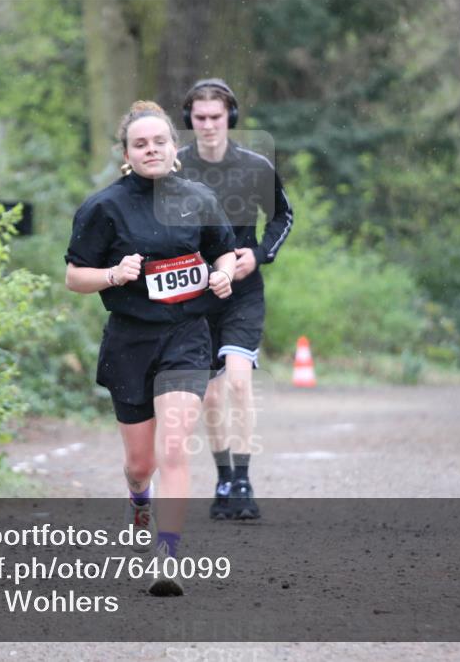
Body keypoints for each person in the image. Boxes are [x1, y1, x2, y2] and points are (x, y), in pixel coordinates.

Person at [65, 100, 237, 596]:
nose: (151, 150)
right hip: (130, 341)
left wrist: (223, 274)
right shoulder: (104, 207)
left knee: (174, 447)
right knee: (142, 464)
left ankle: (169, 554)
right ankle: (140, 497)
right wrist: (114, 274)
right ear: (127, 153)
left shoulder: (199, 198)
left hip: (186, 336)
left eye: (159, 141)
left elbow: (221, 251)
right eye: (140, 144)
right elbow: (74, 276)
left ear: (174, 147)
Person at [177, 79, 294, 520]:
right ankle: (223, 476)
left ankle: (243, 478)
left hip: (242, 291)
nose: (208, 125)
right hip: (198, 291)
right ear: (189, 121)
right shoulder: (175, 167)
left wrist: (259, 255)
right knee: (209, 396)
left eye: (216, 117)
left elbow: (283, 215)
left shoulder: (256, 166)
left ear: (231, 118)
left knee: (240, 381)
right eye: (200, 118)